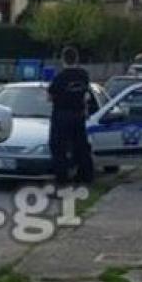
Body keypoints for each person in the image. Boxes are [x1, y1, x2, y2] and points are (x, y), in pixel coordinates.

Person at [47, 47, 94, 184]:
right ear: (76, 59)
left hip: (62, 114)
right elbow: (86, 94)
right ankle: (85, 176)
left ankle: (62, 179)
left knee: (58, 147)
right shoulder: (83, 75)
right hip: (78, 114)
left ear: (63, 59)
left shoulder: (60, 77)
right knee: (81, 146)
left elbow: (50, 97)